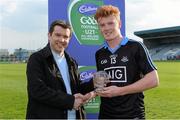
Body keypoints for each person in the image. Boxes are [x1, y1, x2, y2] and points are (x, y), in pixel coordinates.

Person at [94, 5, 159, 119]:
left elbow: (153, 80)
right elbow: (102, 83)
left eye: (110, 23)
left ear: (119, 24)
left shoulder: (136, 46)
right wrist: (96, 90)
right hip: (106, 115)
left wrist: (120, 91)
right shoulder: (100, 53)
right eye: (102, 25)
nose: (106, 28)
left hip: (132, 115)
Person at [26, 20, 92, 119]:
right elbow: (37, 90)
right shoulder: (37, 59)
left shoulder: (72, 62)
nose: (61, 40)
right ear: (49, 35)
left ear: (69, 39)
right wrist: (70, 101)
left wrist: (93, 83)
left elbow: (76, 89)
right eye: (58, 35)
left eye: (65, 37)